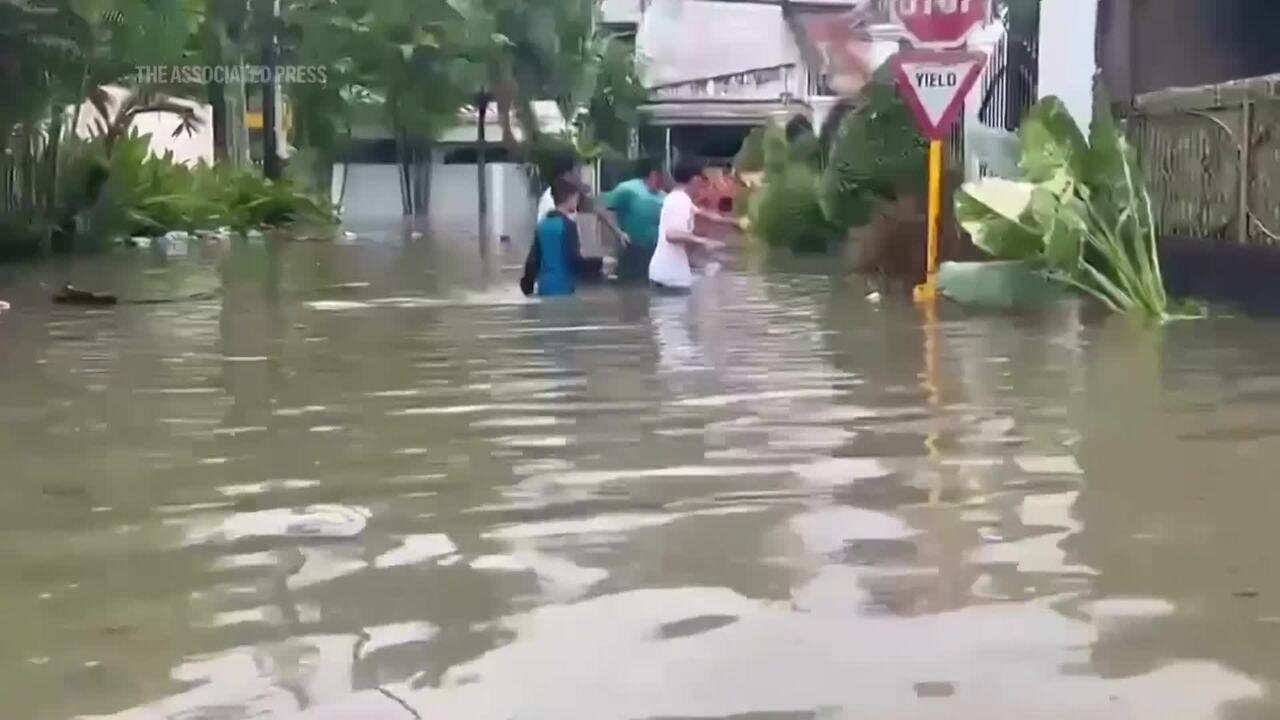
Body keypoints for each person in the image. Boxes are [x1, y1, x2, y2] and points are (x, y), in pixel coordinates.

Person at [648, 158, 737, 291]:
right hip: (670, 279)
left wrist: (734, 222)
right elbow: (672, 234)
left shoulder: (678, 198)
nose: (703, 185)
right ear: (695, 179)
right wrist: (704, 241)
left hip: (668, 276)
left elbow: (705, 215)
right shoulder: (680, 201)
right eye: (703, 179)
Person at [521, 179, 604, 297]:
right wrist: (598, 264)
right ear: (570, 198)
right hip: (563, 288)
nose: (577, 202)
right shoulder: (569, 226)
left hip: (544, 289)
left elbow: (532, 262)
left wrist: (527, 286)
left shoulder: (541, 226)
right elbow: (574, 259)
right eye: (576, 198)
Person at [601, 158, 667, 283]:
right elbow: (606, 211)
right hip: (632, 249)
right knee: (629, 289)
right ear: (654, 174)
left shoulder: (664, 197)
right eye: (664, 173)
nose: (666, 177)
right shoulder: (628, 189)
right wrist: (618, 232)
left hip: (655, 252)